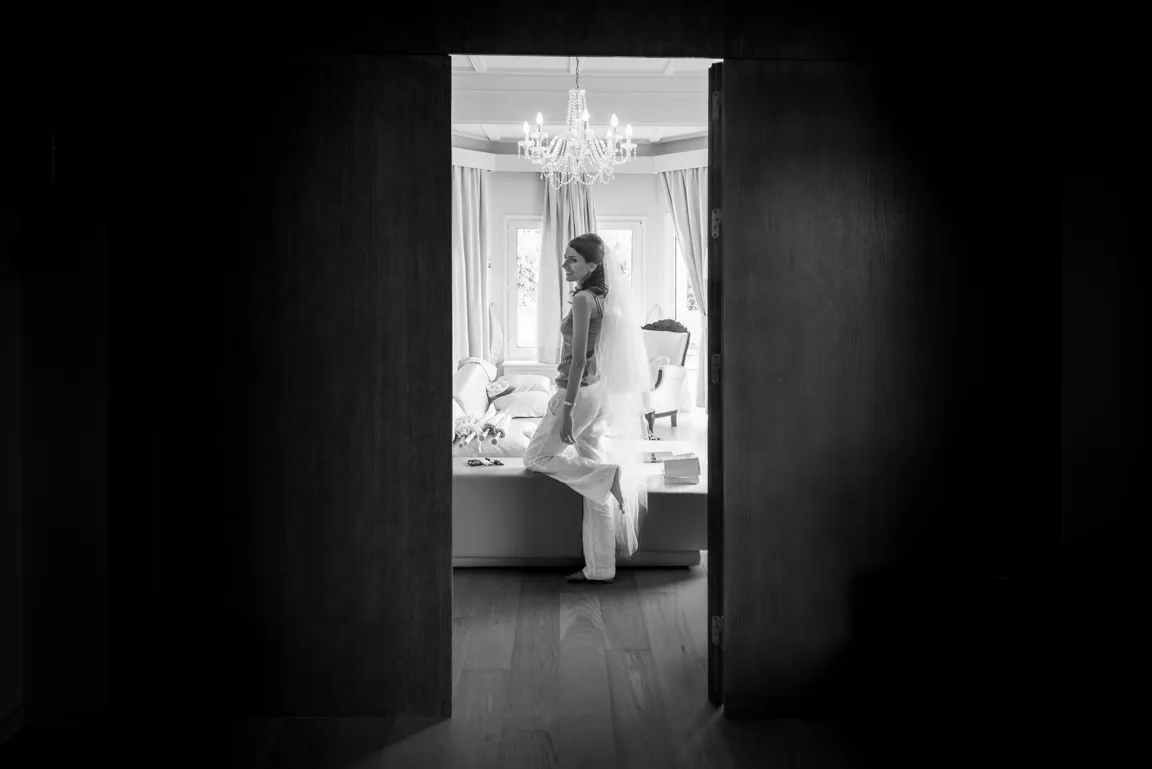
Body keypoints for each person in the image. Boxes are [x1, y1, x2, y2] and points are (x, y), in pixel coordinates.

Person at [524, 233, 651, 583]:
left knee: (534, 457)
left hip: (578, 393)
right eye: (565, 258)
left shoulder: (583, 299)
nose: (565, 265)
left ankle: (607, 475)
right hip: (597, 393)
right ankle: (600, 569)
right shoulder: (603, 298)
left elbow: (579, 359)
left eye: (573, 260)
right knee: (594, 484)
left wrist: (566, 407)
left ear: (592, 265)